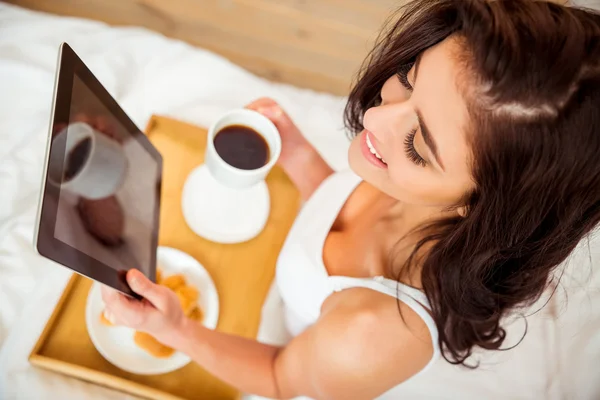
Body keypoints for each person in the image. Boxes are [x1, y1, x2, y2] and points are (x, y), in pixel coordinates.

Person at [101, 0, 600, 398]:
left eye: (418, 145)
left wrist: (175, 331)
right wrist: (296, 153)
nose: (376, 120)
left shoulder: (375, 335)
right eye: (407, 80)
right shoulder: (408, 184)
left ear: (486, 203)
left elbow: (279, 378)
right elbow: (333, 205)